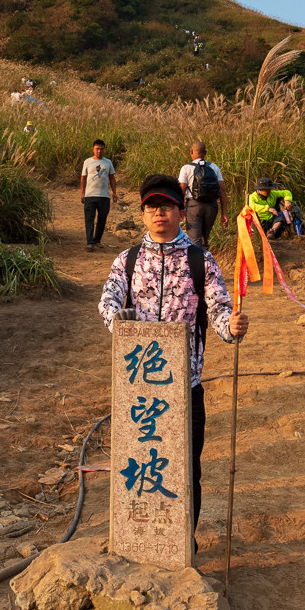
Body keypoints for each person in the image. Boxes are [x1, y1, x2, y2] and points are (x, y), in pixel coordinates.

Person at [98, 175, 249, 532]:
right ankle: (141, 535)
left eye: (166, 206)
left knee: (183, 470)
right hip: (139, 388)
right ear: (143, 214)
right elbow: (107, 301)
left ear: (181, 211)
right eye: (151, 207)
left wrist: (231, 327)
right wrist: (120, 322)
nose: (158, 213)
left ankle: (182, 543)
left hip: (185, 388)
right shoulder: (128, 260)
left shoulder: (201, 261)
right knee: (139, 467)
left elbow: (218, 310)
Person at [178, 142, 228, 248]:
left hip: (194, 206)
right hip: (212, 207)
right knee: (204, 238)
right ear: (205, 153)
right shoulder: (214, 167)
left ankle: (198, 263)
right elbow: (222, 191)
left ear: (191, 152)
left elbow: (181, 190)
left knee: (195, 240)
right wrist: (224, 213)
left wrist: (180, 209)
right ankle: (206, 261)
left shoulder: (186, 168)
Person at [80, 139, 118, 251]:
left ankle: (97, 240)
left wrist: (114, 193)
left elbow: (112, 178)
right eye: (97, 149)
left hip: (104, 196)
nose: (99, 151)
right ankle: (90, 242)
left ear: (104, 149)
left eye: (101, 149)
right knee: (89, 218)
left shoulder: (108, 162)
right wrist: (83, 193)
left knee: (102, 219)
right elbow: (83, 178)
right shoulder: (87, 162)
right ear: (93, 149)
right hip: (90, 195)